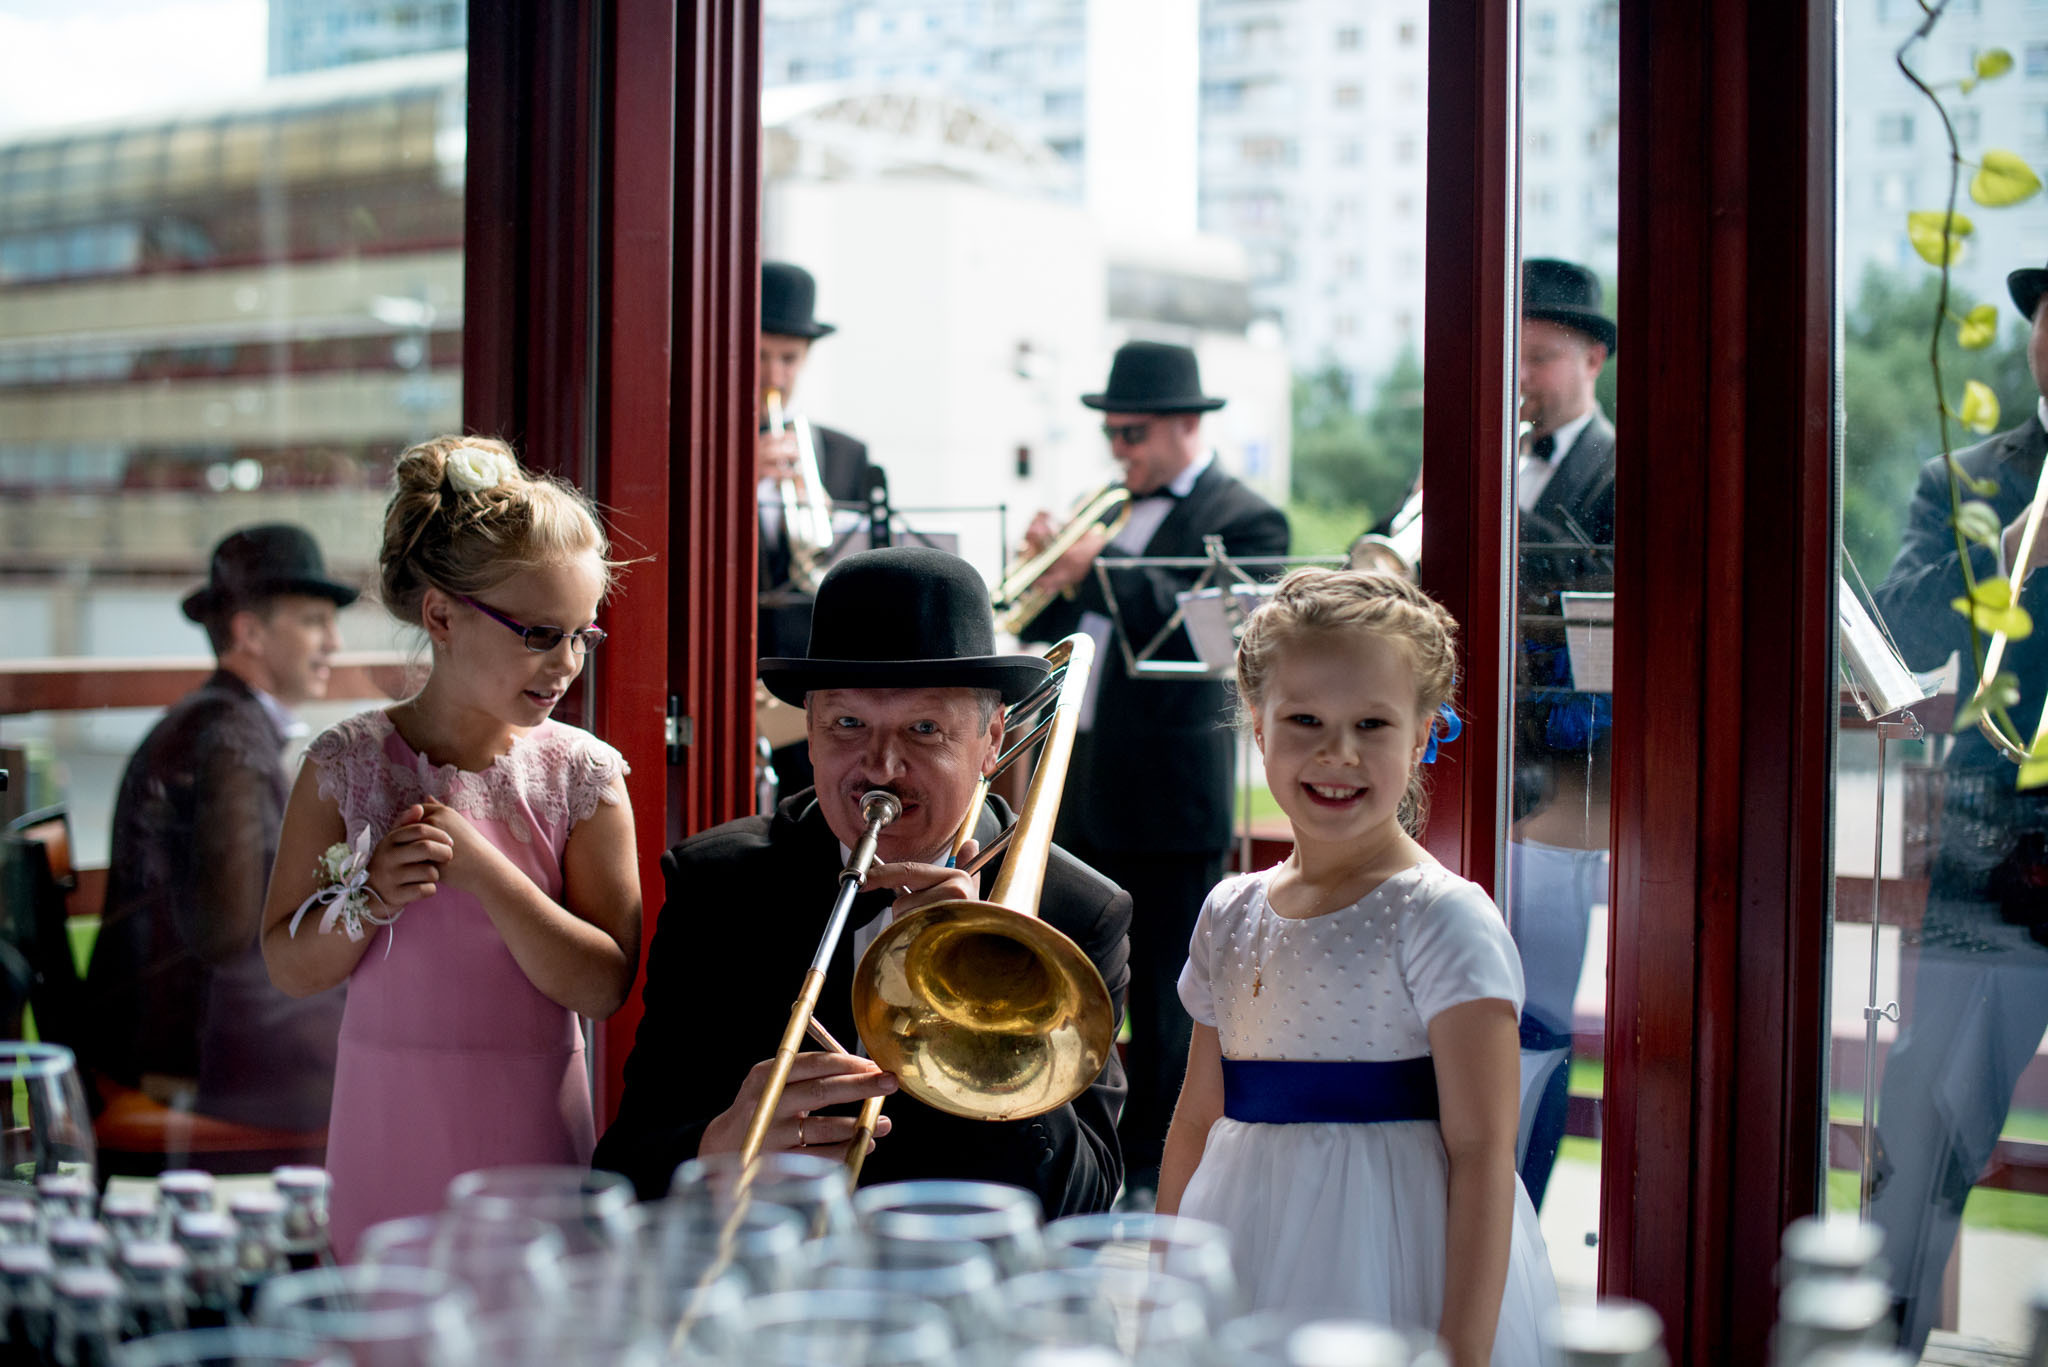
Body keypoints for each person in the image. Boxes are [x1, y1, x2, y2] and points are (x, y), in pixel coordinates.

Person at [594, 546, 1132, 1215]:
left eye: (924, 728)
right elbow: (622, 1167)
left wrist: (997, 1025)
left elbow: (1086, 1202)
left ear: (993, 737)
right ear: (811, 737)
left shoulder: (1076, 910)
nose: (880, 766)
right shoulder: (717, 885)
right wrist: (716, 1145)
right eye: (848, 724)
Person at [1156, 569, 1557, 1367]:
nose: (1337, 753)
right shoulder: (1229, 912)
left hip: (1394, 1259)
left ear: (1420, 735)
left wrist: (1462, 1352)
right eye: (1304, 718)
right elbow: (1196, 1119)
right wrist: (1166, 1295)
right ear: (1259, 728)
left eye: (1372, 723)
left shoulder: (1440, 915)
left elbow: (1482, 1152)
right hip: (1240, 1244)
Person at [260, 435, 641, 1259]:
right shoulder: (345, 766)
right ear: (441, 615)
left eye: (584, 636)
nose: (568, 663)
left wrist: (486, 873)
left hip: (530, 1129)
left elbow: (605, 983)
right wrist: (366, 900)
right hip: (385, 1124)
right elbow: (287, 965)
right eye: (541, 633)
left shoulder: (583, 776)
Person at [1013, 339, 1290, 1199]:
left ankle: (1153, 1173)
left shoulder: (1247, 517)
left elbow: (1223, 644)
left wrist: (1098, 568)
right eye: (1112, 432)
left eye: (1132, 432)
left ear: (1183, 426)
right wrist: (1056, 566)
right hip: (1086, 781)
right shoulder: (1111, 514)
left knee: (1173, 1003)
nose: (1119, 450)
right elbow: (1059, 619)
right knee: (1076, 987)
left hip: (1172, 793)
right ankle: (1079, 1152)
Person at [1868, 258, 2048, 1353]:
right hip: (1989, 857)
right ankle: (1866, 1341)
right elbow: (1900, 624)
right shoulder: (1966, 476)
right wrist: (2013, 552)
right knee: (1922, 1127)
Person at [83, 525, 356, 1136]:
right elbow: (235, 936)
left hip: (182, 1023)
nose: (334, 642)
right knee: (390, 1067)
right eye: (314, 621)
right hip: (182, 1048)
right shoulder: (225, 740)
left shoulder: (219, 724)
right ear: (249, 631)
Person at [1507, 256, 1618, 1205]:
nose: (1522, 378)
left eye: (1539, 356)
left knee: (1537, 1018)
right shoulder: (1472, 458)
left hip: (1572, 786)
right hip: (1475, 776)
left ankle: (1519, 1214)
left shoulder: (1623, 468)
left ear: (1593, 358)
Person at [758, 261, 877, 796]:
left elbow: (862, 575)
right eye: (761, 357)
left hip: (813, 677)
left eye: (788, 358)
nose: (774, 376)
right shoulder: (699, 450)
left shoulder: (846, 455)